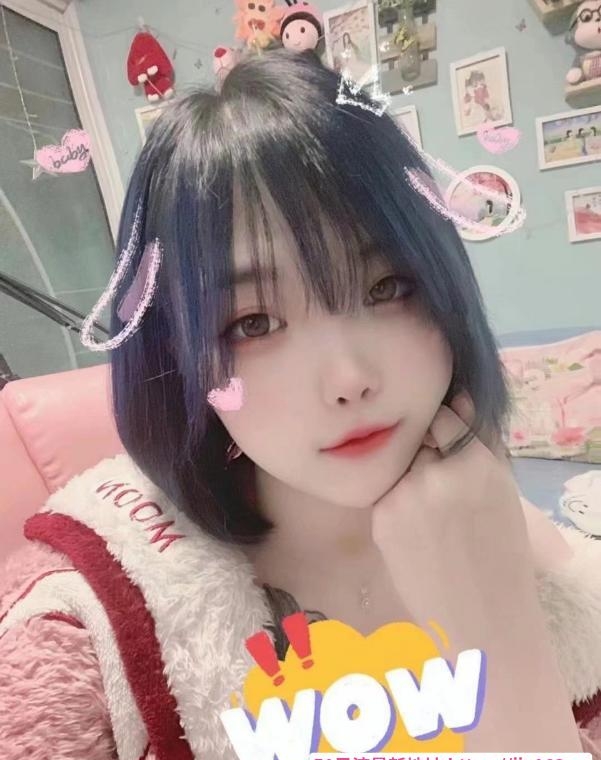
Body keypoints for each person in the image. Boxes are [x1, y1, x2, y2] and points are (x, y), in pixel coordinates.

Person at [2, 49, 601, 759]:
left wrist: (499, 633)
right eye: (253, 323)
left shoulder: (544, 558)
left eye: (385, 287)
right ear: (178, 358)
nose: (347, 379)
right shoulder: (82, 626)